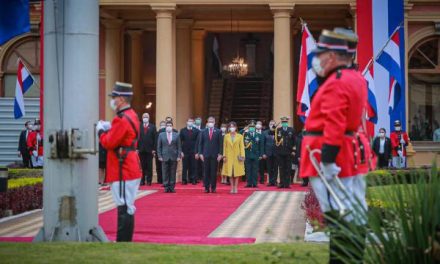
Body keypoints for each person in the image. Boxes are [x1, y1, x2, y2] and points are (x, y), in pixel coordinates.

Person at [299, 29, 368, 263]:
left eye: (324, 54)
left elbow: (335, 124)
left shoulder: (338, 83)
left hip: (333, 154)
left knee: (340, 215)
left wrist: (327, 161)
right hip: (345, 150)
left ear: (335, 56)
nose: (319, 58)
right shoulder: (352, 77)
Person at [98, 81, 142, 242]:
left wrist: (101, 132)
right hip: (129, 166)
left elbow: (109, 142)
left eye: (115, 97)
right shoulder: (132, 115)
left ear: (122, 99)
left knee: (123, 206)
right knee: (127, 206)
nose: (113, 100)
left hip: (123, 168)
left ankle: (123, 242)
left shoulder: (121, 119)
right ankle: (124, 241)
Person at [197, 116, 223, 193]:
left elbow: (221, 144)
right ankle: (206, 187)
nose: (210, 123)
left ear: (214, 123)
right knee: (206, 172)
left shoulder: (218, 131)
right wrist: (200, 153)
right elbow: (200, 144)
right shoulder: (203, 131)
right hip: (205, 155)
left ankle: (213, 187)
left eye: (212, 121)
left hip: (215, 155)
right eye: (209, 122)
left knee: (213, 172)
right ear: (207, 123)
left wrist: (220, 154)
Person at [157, 121, 182, 193]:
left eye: (170, 125)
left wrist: (178, 156)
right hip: (164, 156)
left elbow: (179, 147)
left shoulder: (176, 135)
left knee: (173, 172)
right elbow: (159, 147)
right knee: (165, 172)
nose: (169, 127)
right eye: (167, 125)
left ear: (172, 126)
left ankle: (172, 187)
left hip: (174, 156)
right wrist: (159, 156)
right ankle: (166, 187)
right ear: (165, 126)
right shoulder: (161, 135)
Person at [271, 116, 295, 189]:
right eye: (283, 122)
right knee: (281, 168)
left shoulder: (291, 130)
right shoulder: (278, 130)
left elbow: (294, 141)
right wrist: (277, 124)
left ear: (287, 122)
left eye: (285, 122)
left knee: (288, 168)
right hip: (280, 152)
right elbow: (271, 130)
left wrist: (293, 151)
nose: (284, 123)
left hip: (288, 152)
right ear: (282, 123)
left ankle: (287, 184)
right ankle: (281, 183)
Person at [222, 122, 245, 194]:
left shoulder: (240, 136)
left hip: (237, 156)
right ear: (229, 128)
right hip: (229, 156)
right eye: (230, 126)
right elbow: (224, 147)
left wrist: (242, 156)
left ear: (235, 127)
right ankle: (231, 187)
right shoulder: (226, 136)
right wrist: (224, 156)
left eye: (233, 126)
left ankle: (236, 187)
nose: (232, 128)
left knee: (236, 173)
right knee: (230, 173)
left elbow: (242, 147)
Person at [137, 113, 157, 186]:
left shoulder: (153, 127)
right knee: (142, 166)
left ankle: (149, 181)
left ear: (148, 118)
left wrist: (154, 149)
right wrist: (137, 148)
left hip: (150, 150)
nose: (145, 118)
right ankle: (142, 181)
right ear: (142, 118)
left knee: (149, 166)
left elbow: (155, 139)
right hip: (141, 149)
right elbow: (137, 138)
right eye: (144, 117)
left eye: (146, 117)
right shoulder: (139, 126)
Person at [243, 120, 264, 188]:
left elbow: (261, 146)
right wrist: (245, 129)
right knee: (248, 169)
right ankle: (249, 183)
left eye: (253, 126)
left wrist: (261, 155)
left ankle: (255, 183)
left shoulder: (259, 135)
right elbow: (239, 134)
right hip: (248, 154)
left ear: (255, 127)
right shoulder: (245, 134)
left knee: (255, 169)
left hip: (256, 154)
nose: (252, 128)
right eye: (250, 126)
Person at [180, 118, 199, 185]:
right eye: (189, 121)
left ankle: (193, 179)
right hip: (185, 151)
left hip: (194, 151)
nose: (190, 122)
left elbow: (198, 142)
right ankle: (184, 180)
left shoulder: (196, 131)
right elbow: (180, 141)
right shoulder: (182, 130)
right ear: (186, 122)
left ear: (193, 122)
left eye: (191, 121)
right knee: (185, 166)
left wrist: (197, 152)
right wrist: (181, 151)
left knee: (193, 166)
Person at [263, 120, 278, 186]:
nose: (272, 125)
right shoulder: (265, 132)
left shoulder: (277, 132)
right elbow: (263, 144)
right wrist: (263, 153)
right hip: (268, 152)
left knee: (275, 167)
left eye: (273, 124)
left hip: (276, 152)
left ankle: (274, 181)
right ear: (269, 125)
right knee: (269, 168)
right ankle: (270, 181)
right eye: (270, 124)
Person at [155, 120, 166, 184]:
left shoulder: (166, 134)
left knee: (164, 167)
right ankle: (159, 180)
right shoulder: (157, 133)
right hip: (158, 152)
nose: (162, 126)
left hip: (165, 152)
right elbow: (155, 143)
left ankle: (164, 180)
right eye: (161, 125)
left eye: (164, 125)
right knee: (158, 167)